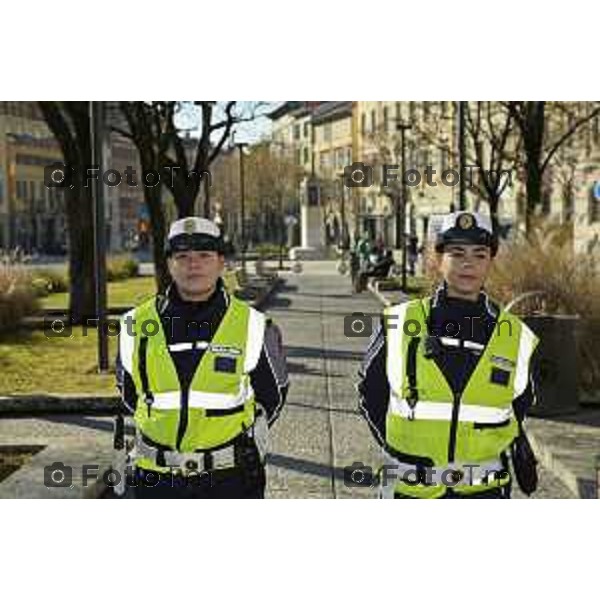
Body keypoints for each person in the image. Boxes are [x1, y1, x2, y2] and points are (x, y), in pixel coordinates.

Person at [357, 211, 540, 499]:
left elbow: (519, 406)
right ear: (438, 258)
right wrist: (401, 452)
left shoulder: (515, 336)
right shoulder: (399, 322)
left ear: (491, 262)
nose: (468, 263)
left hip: (484, 493)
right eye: (457, 253)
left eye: (480, 254)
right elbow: (371, 393)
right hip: (410, 492)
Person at [115, 216, 288, 498]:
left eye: (204, 255)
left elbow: (273, 395)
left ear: (221, 262)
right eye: (182, 256)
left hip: (230, 479)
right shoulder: (134, 324)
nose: (193, 264)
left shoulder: (254, 325)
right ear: (170, 264)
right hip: (155, 479)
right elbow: (128, 391)